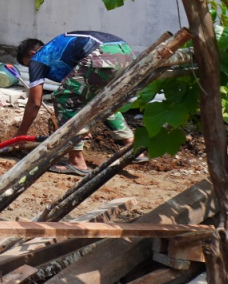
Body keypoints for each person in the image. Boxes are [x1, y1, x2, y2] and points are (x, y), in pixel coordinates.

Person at [13, 31, 141, 176]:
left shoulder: (39, 57)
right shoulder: (60, 48)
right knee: (100, 101)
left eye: (28, 65)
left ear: (32, 53)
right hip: (126, 53)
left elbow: (35, 103)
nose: (33, 70)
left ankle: (76, 162)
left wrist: (21, 134)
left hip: (102, 54)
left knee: (63, 99)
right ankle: (132, 147)